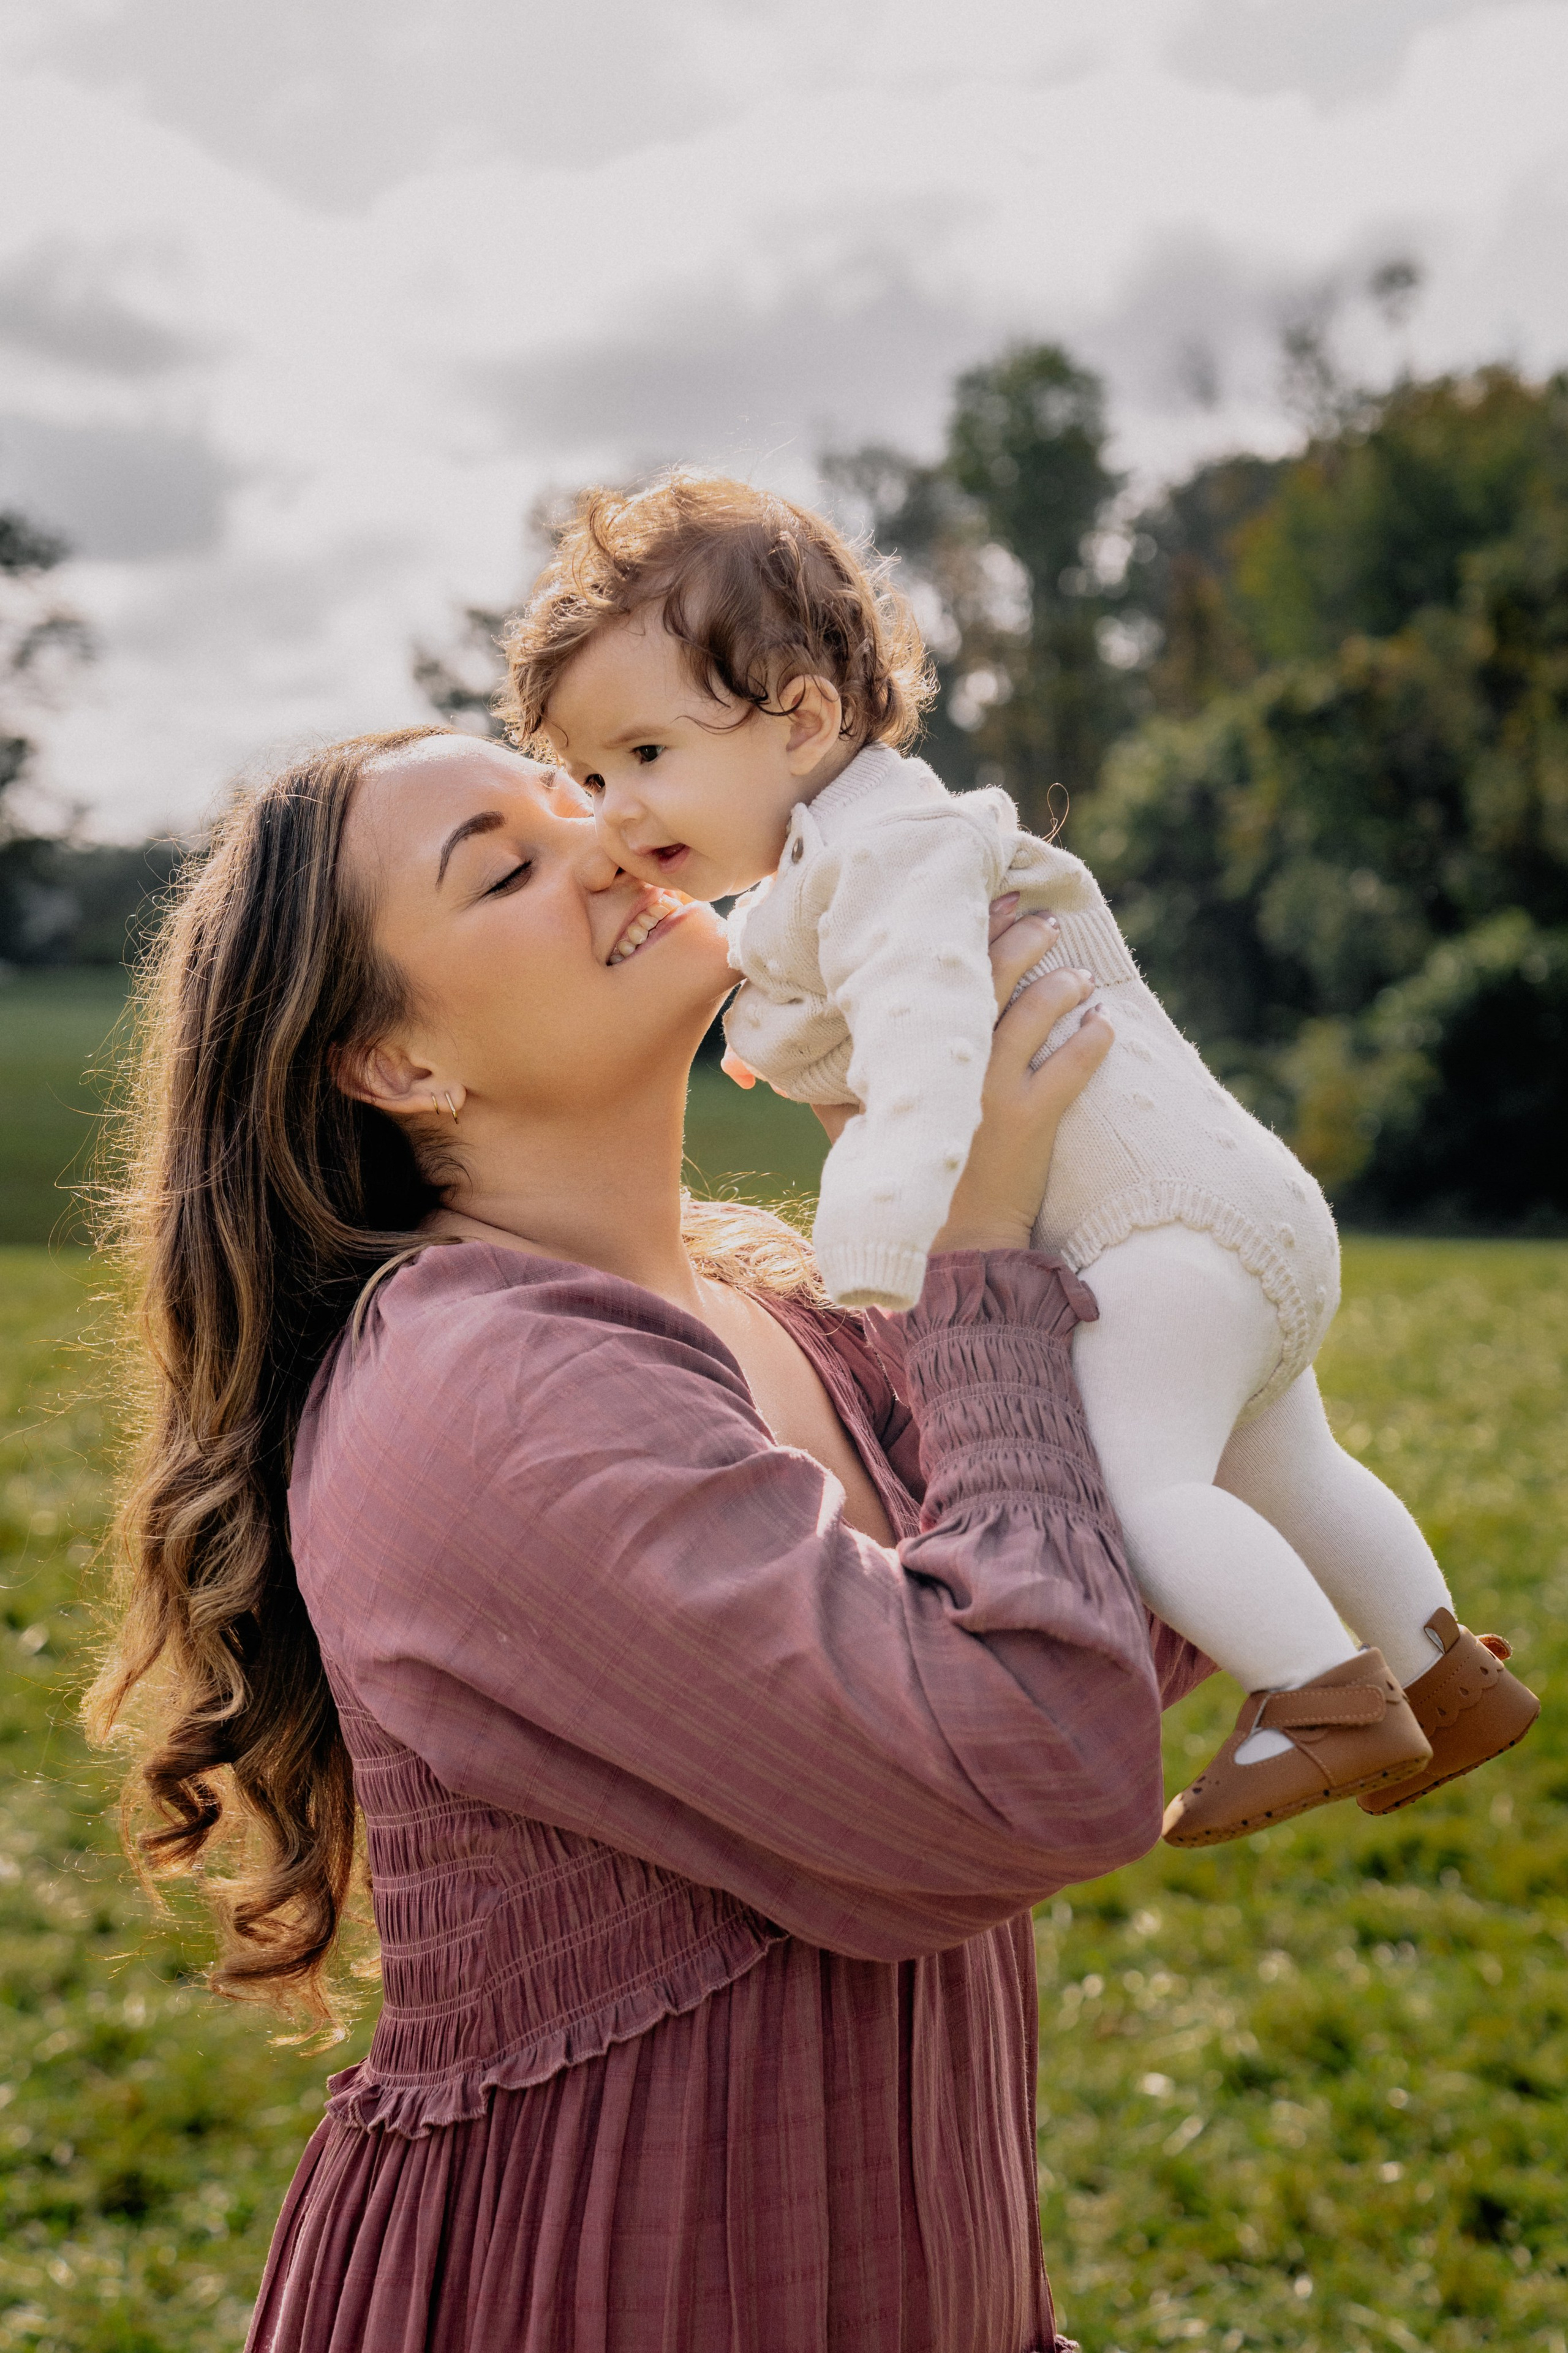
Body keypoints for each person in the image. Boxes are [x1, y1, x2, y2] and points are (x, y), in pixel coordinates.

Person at [89, 719, 1215, 2352]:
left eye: (583, 799)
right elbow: (1029, 1770)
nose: (608, 841)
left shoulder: (786, 1300)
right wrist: (981, 1256)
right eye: (509, 865)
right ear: (399, 1064)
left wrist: (1037, 1156)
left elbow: (1131, 1629)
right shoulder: (480, 1398)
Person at [500, 472, 1540, 1851]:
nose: (616, 812)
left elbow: (930, 1053)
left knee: (1132, 1480)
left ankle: (1317, 1696)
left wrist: (879, 1242)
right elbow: (814, 971)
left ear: (801, 717)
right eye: (586, 776)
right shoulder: (865, 843)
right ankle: (1442, 1675)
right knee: (1288, 1465)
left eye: (642, 756)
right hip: (1236, 1211)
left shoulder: (890, 854)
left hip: (1157, 1238)